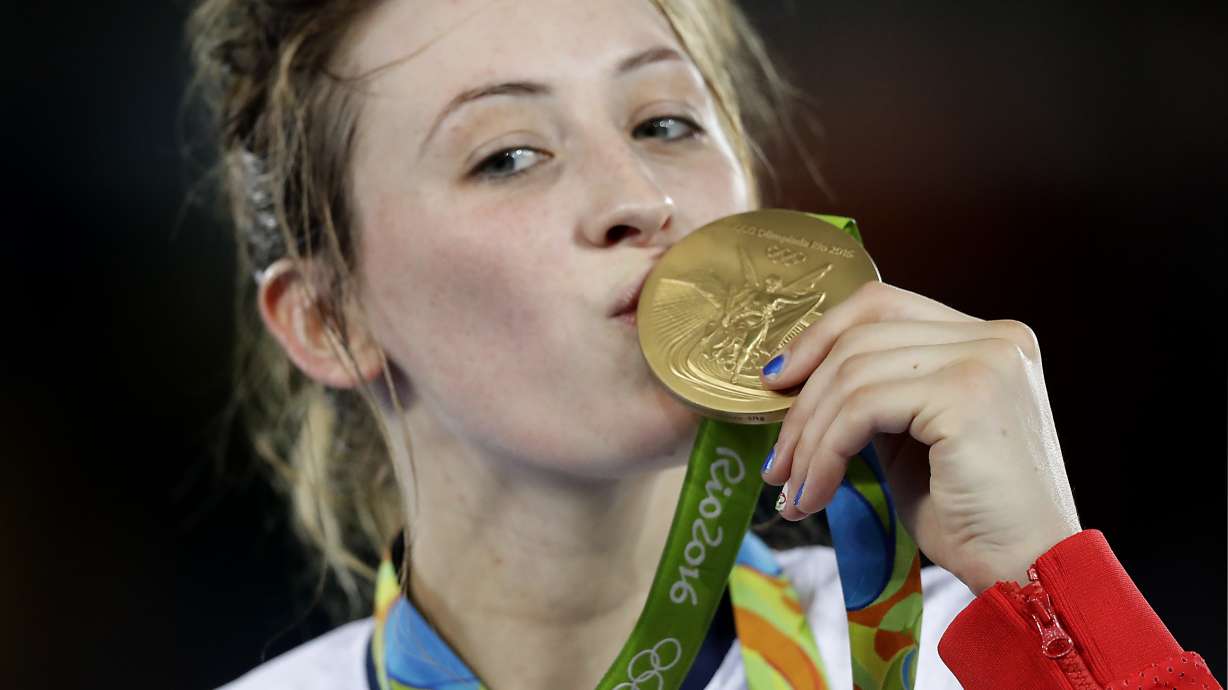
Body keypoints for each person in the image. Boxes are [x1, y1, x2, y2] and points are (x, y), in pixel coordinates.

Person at [186, 1, 1221, 688]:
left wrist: (1046, 589)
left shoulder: (975, 655)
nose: (641, 200)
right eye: (507, 155)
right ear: (331, 320)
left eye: (665, 123)